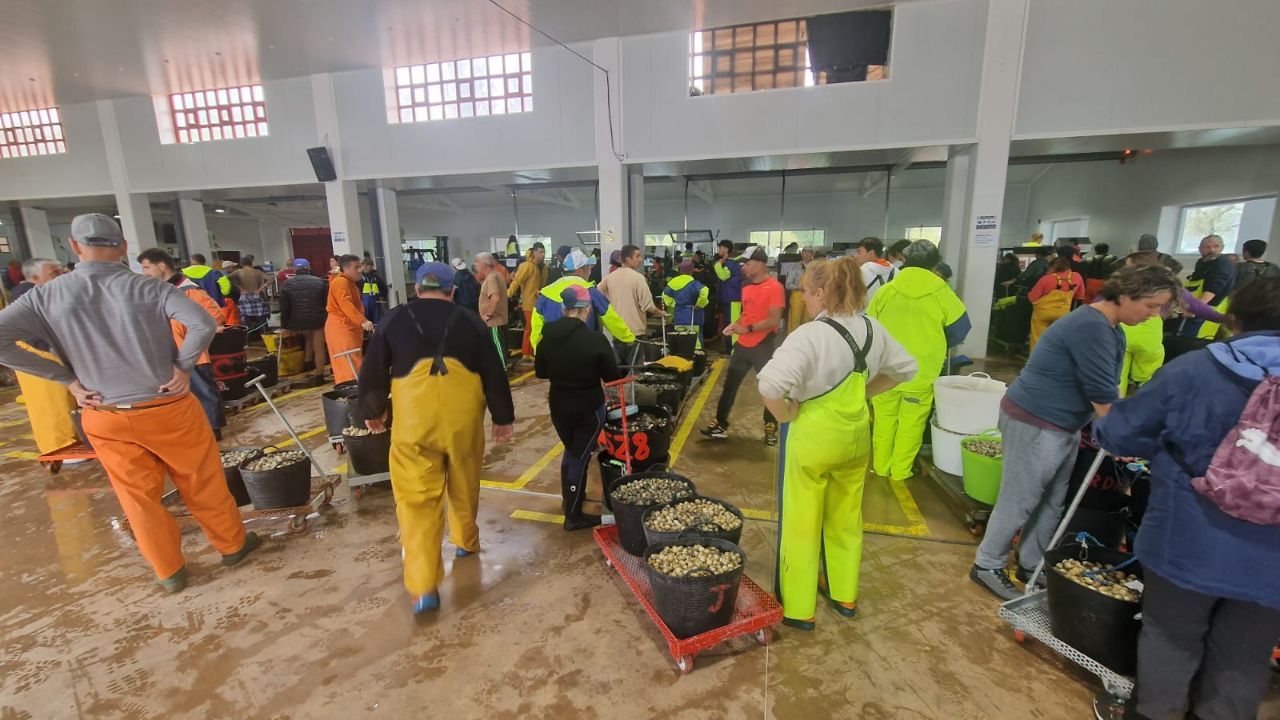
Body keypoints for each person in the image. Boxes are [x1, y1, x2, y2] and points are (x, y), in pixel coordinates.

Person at [0, 214, 259, 592]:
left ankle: (169, 571)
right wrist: (184, 367)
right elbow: (203, 324)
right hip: (168, 406)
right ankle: (232, 546)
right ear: (123, 247)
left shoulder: (45, 296)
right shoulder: (150, 288)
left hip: (104, 414)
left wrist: (66, 379)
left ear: (74, 247)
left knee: (139, 498)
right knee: (202, 480)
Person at [1091, 278, 1280, 720]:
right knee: (1245, 656)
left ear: (1232, 320)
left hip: (1191, 536)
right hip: (1272, 560)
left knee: (1170, 637)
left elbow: (1122, 433)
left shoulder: (1198, 370)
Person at [969, 265, 1181, 600]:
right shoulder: (1090, 327)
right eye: (1151, 306)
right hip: (1036, 420)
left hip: (1064, 424)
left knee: (1052, 501)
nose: (1154, 315)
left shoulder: (1114, 329)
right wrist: (1126, 440)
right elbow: (1102, 395)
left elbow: (1110, 388)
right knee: (1020, 498)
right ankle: (987, 564)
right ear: (1125, 295)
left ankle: (1030, 563)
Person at [758, 257, 917, 630]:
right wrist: (865, 394)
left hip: (813, 441)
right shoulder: (873, 330)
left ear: (818, 292)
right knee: (846, 519)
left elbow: (769, 387)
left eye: (805, 293)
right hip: (856, 440)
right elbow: (907, 369)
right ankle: (845, 595)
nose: (804, 300)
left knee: (802, 522)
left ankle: (799, 609)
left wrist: (784, 415)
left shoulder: (810, 335)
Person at [357, 261, 514, 614]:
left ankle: (425, 587)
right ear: (453, 291)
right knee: (464, 481)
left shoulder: (394, 320)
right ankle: (465, 542)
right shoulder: (471, 321)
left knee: (416, 502)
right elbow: (493, 369)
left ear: (416, 289)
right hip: (462, 422)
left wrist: (373, 411)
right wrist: (503, 417)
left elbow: (372, 371)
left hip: (414, 427)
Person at [866, 240, 970, 481]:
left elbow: (869, 327)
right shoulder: (942, 292)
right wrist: (935, 341)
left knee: (884, 420)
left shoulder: (887, 290)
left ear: (905, 260)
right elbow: (960, 330)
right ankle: (900, 471)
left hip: (886, 370)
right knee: (911, 422)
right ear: (935, 264)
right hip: (921, 371)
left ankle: (881, 467)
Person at [535, 285, 625, 531]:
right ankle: (573, 517)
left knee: (572, 452)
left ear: (564, 308)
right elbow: (612, 377)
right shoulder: (595, 340)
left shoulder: (547, 334)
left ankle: (569, 501)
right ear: (587, 310)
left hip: (559, 406)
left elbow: (541, 371)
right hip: (589, 409)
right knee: (579, 457)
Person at [138, 248, 227, 439]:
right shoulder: (164, 291)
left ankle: (213, 430)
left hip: (193, 354)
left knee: (203, 391)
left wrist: (193, 337)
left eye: (147, 267)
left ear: (161, 266)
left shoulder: (189, 291)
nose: (145, 272)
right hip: (174, 354)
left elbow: (216, 315)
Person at [701, 246, 786, 445]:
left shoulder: (775, 287)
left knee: (769, 388)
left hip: (762, 346)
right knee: (729, 386)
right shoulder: (746, 285)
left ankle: (770, 427)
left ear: (761, 264)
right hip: (742, 345)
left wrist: (746, 328)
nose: (744, 267)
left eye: (747, 263)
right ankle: (720, 425)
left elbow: (774, 320)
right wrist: (736, 324)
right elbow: (747, 312)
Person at [9, 258, 78, 456]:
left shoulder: (44, 292)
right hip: (37, 353)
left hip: (47, 350)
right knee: (50, 403)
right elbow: (30, 330)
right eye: (54, 274)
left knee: (64, 400)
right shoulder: (25, 294)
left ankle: (70, 440)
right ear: (35, 277)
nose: (61, 277)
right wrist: (49, 347)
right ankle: (59, 445)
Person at [530, 250, 635, 353]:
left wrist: (537, 350)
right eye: (587, 267)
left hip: (554, 354)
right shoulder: (590, 291)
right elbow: (610, 317)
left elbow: (536, 325)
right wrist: (628, 338)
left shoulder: (546, 293)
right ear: (580, 270)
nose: (590, 271)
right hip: (583, 352)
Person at [598, 244, 665, 364]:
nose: (640, 259)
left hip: (618, 330)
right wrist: (661, 313)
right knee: (636, 370)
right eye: (637, 256)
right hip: (635, 332)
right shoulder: (638, 278)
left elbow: (597, 294)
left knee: (620, 368)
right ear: (628, 259)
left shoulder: (610, 277)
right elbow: (648, 305)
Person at [326, 254, 374, 386]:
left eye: (360, 266)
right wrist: (362, 321)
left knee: (353, 361)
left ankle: (357, 392)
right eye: (356, 267)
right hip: (341, 328)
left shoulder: (349, 282)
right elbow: (345, 304)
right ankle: (352, 393)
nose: (360, 270)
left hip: (348, 327)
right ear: (345, 268)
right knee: (348, 363)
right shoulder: (341, 283)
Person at [279, 259, 328, 376]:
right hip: (318, 318)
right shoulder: (320, 282)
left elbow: (284, 307)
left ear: (295, 269)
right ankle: (319, 372)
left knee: (307, 338)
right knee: (319, 347)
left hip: (297, 320)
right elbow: (326, 303)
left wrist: (284, 325)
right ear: (309, 268)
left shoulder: (287, 284)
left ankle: (307, 363)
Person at [1027, 255, 1087, 350]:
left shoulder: (1046, 279)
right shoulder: (1077, 277)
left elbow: (1032, 298)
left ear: (1053, 267)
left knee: (1038, 339)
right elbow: (1080, 296)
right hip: (1063, 314)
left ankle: (1037, 361)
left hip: (1043, 314)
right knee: (1058, 340)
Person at [1183, 234, 1237, 338]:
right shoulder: (1202, 262)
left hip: (1208, 309)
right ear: (1200, 249)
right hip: (1196, 307)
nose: (1211, 250)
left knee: (1197, 340)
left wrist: (1195, 309)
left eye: (1216, 246)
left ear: (1222, 248)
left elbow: (1213, 288)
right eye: (1207, 247)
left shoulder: (1223, 264)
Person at [508, 242, 548, 362]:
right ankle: (526, 352)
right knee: (530, 328)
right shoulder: (527, 266)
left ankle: (534, 351)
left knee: (538, 328)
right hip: (529, 303)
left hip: (540, 303)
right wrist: (509, 293)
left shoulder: (544, 267)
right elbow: (517, 281)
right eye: (540, 252)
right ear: (534, 252)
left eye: (544, 252)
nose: (542, 255)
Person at [474, 252, 510, 366]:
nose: (475, 264)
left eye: (477, 262)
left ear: (484, 264)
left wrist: (488, 314)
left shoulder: (491, 278)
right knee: (497, 344)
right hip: (496, 319)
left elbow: (495, 298)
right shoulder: (496, 275)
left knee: (497, 345)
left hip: (494, 320)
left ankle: (503, 370)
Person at [663, 260, 709, 347]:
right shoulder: (694, 283)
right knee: (696, 342)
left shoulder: (673, 282)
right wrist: (700, 304)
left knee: (681, 340)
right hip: (693, 316)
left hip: (679, 317)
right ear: (692, 271)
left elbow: (664, 294)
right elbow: (704, 290)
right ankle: (696, 358)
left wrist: (673, 304)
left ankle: (683, 358)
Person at [713, 239, 743, 352]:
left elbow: (724, 276)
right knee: (728, 323)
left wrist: (717, 265)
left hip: (733, 299)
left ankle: (735, 349)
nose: (719, 250)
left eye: (720, 248)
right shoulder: (727, 263)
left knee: (732, 324)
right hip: (727, 298)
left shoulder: (731, 263)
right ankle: (729, 348)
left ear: (726, 249)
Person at [231, 257, 270, 335]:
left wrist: (240, 288)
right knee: (262, 317)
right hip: (257, 295)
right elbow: (270, 279)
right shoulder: (257, 272)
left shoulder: (238, 272)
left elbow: (228, 278)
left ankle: (248, 337)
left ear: (241, 264)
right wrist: (260, 289)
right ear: (251, 263)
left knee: (246, 318)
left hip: (245, 297)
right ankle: (266, 334)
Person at [852, 237, 896, 302]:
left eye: (859, 252)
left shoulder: (858, 273)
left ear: (871, 253)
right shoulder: (897, 272)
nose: (855, 256)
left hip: (865, 311)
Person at [783, 247, 814, 332]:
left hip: (811, 296)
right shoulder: (795, 267)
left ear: (812, 254)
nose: (806, 254)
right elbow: (788, 284)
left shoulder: (816, 267)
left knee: (808, 321)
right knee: (795, 320)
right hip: (797, 296)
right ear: (801, 254)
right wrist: (799, 287)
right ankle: (793, 341)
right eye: (804, 252)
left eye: (809, 252)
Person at [359, 259, 387, 324]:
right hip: (363, 302)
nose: (365, 267)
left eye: (367, 265)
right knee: (365, 319)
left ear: (372, 266)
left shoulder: (376, 277)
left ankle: (376, 332)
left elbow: (384, 288)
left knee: (377, 319)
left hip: (375, 301)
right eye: (363, 265)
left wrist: (383, 296)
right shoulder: (359, 277)